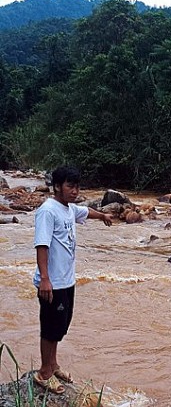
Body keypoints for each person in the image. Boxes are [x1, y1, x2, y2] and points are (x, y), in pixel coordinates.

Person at [33, 166, 112, 394]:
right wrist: (45, 279)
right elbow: (42, 246)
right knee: (50, 328)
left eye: (77, 186)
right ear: (57, 187)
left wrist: (103, 215)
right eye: (70, 186)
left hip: (66, 281)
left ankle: (53, 364)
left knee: (61, 326)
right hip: (53, 283)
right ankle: (44, 374)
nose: (74, 190)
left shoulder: (67, 209)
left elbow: (85, 211)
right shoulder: (48, 211)